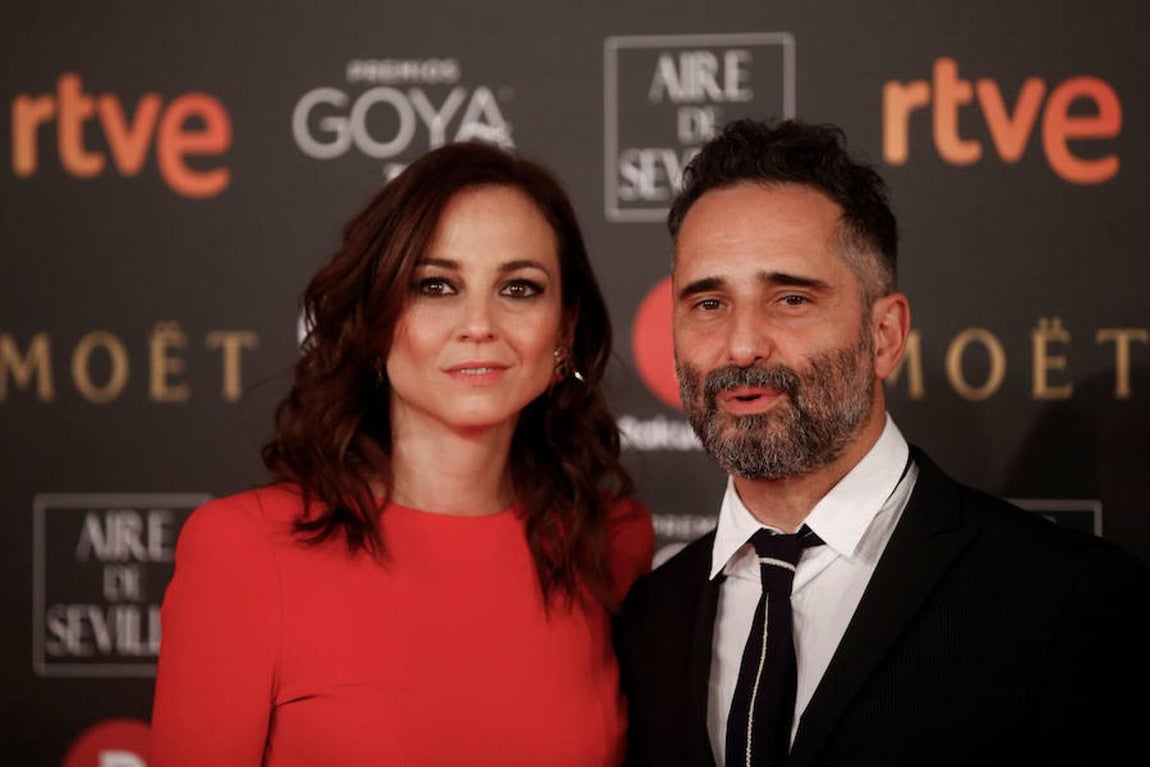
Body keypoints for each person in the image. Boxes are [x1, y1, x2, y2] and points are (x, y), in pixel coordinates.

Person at [614, 119, 1150, 766]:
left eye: (790, 298)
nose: (742, 344)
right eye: (708, 304)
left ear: (885, 335)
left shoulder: (1068, 600)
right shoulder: (646, 619)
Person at [150, 141, 654, 766]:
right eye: (436, 286)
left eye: (519, 288)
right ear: (376, 319)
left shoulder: (611, 543)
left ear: (565, 330)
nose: (479, 323)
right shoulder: (242, 551)